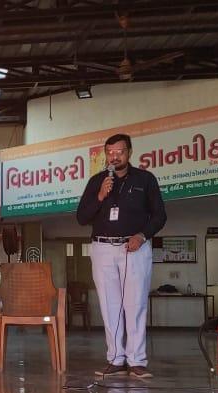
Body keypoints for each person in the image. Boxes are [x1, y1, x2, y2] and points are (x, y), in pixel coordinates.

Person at [77, 133, 167, 379]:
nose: (114, 156)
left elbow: (160, 216)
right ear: (105, 154)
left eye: (120, 152)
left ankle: (136, 360)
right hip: (103, 248)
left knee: (135, 304)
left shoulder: (145, 180)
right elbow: (82, 217)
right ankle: (115, 359)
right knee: (110, 306)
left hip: (134, 248)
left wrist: (142, 235)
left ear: (129, 152)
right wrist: (100, 196)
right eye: (110, 152)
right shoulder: (97, 181)